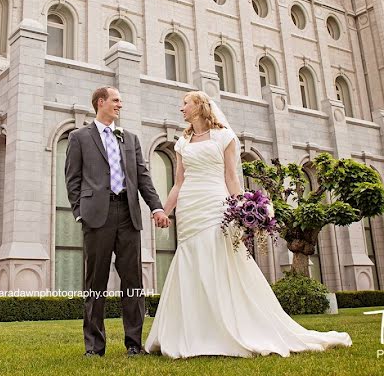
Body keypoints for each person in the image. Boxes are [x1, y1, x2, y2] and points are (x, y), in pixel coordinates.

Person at [145, 90, 352, 358]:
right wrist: (164, 210)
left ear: (199, 106)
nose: (181, 108)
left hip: (215, 204)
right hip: (189, 208)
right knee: (190, 258)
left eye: (185, 103)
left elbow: (232, 177)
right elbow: (179, 182)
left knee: (219, 259)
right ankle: (193, 329)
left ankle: (229, 327)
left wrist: (242, 211)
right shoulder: (182, 141)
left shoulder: (224, 137)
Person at [65, 86, 170, 357]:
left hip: (128, 214)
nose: (119, 105)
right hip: (96, 216)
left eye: (121, 101)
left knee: (133, 281)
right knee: (95, 282)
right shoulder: (79, 137)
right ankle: (94, 347)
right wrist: (80, 212)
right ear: (101, 102)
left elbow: (143, 178)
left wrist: (156, 207)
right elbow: (72, 179)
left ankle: (134, 344)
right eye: (115, 100)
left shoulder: (130, 138)